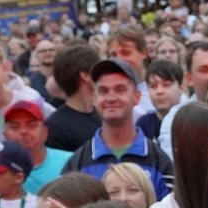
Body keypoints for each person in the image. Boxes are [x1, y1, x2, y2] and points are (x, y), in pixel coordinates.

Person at [63, 58, 173, 199]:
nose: (111, 98)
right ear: (94, 98)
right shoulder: (77, 164)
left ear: (137, 96)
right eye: (103, 91)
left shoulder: (160, 162)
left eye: (120, 90)